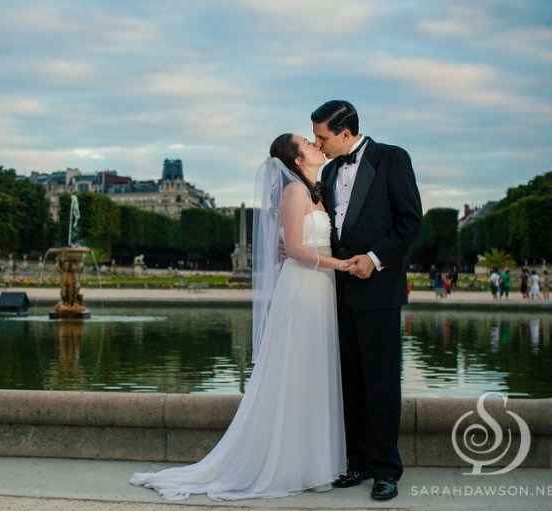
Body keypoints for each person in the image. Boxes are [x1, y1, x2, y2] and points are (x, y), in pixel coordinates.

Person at [130, 134, 351, 501]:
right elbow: (295, 249)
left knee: (312, 374)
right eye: (307, 144)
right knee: (298, 375)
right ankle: (297, 464)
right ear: (297, 161)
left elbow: (296, 245)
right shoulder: (295, 193)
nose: (315, 145)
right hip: (305, 287)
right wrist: (341, 264)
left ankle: (309, 463)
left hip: (318, 287)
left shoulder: (315, 191)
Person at [312, 100, 423, 501]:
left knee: (381, 383)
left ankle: (386, 470)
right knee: (350, 382)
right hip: (337, 292)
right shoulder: (327, 170)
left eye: (322, 136)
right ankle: (356, 462)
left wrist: (374, 260)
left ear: (345, 133)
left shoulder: (393, 159)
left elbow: (411, 221)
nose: (317, 143)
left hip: (378, 292)